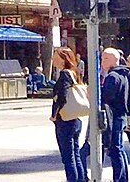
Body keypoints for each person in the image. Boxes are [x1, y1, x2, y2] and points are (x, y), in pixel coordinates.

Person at [50, 44, 88, 182]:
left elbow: (62, 97)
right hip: (75, 119)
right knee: (75, 154)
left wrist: (54, 114)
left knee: (68, 157)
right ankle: (81, 179)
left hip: (65, 119)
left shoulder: (65, 74)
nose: (53, 60)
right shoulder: (74, 73)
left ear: (63, 58)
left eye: (55, 57)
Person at [100, 48, 130, 182]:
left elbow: (107, 97)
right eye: (102, 58)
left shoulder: (112, 76)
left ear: (114, 60)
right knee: (118, 148)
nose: (102, 61)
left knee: (115, 149)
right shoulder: (122, 74)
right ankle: (122, 177)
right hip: (120, 115)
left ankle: (119, 178)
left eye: (106, 58)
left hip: (115, 116)